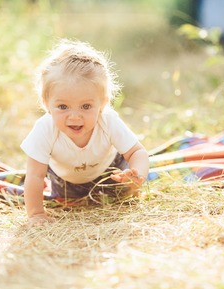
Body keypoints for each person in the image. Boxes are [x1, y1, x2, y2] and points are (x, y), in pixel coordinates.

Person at [21, 39, 149, 226]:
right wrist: (36, 213)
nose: (75, 117)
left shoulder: (108, 120)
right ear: (46, 103)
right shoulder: (45, 129)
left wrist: (138, 175)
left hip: (109, 172)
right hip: (66, 182)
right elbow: (34, 175)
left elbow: (137, 152)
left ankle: (127, 188)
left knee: (123, 194)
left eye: (86, 106)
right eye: (63, 106)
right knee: (71, 203)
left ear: (103, 103)